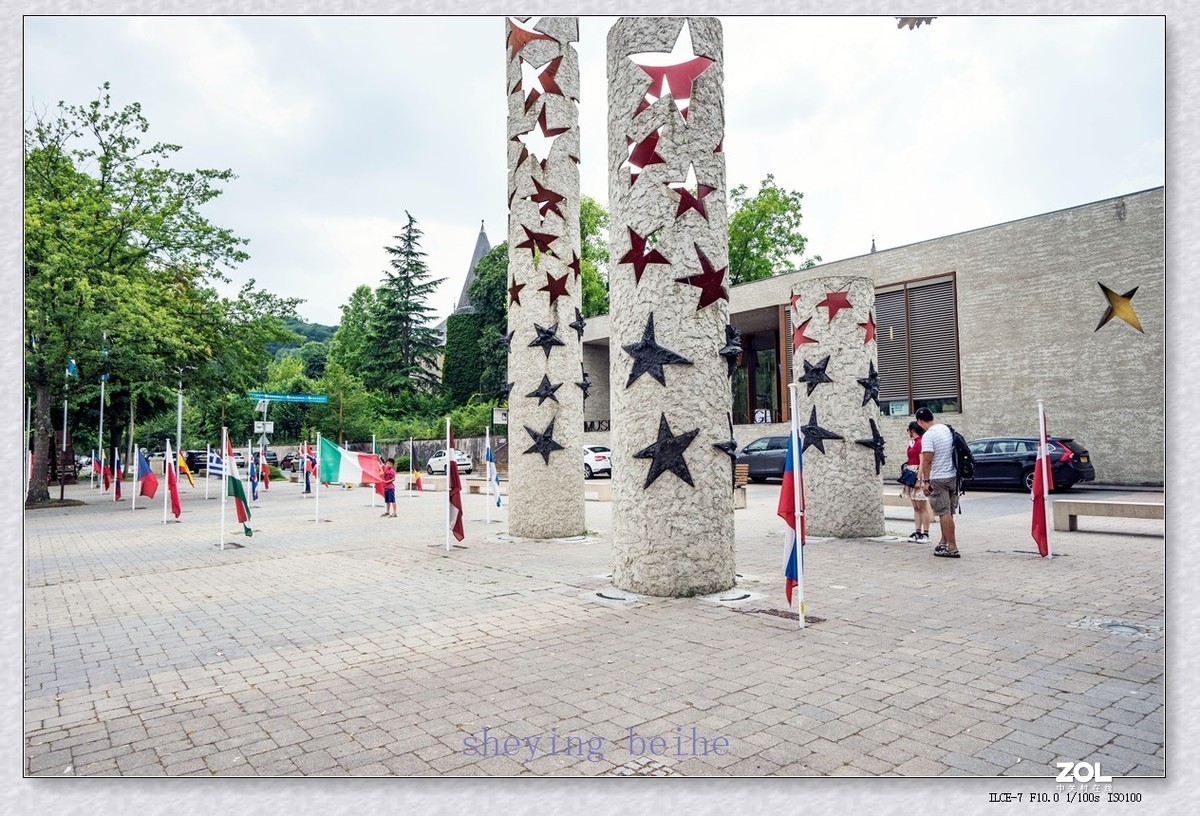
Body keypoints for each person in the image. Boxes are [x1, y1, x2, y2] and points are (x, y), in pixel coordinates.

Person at [915, 407, 960, 558]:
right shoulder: (946, 429)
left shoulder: (929, 435)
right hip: (953, 476)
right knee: (948, 512)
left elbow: (927, 461)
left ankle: (952, 548)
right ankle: (943, 542)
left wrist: (926, 481)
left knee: (943, 512)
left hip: (939, 478)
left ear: (920, 421)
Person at [903, 421, 932, 542]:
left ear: (912, 430)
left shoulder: (920, 442)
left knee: (922, 506)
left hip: (916, 472)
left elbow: (921, 461)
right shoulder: (912, 443)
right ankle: (917, 531)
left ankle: (926, 533)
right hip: (910, 471)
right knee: (915, 506)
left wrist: (919, 479)